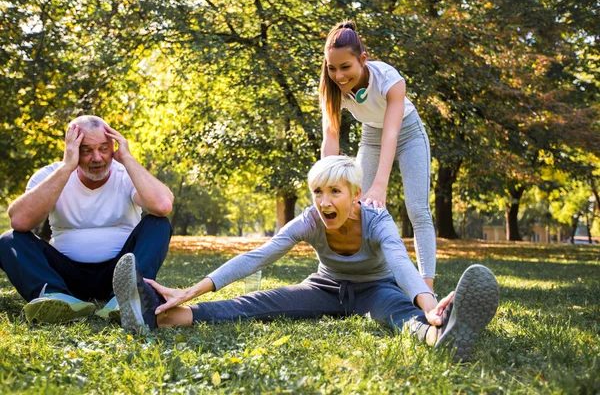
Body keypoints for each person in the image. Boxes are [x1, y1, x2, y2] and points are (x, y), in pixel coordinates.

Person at [113, 156, 499, 361]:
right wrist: (190, 290)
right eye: (318, 191)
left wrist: (429, 306)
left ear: (355, 195)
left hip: (375, 290)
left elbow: (401, 266)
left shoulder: (377, 221)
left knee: (401, 315)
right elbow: (258, 256)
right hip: (324, 288)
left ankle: (440, 334)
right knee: (250, 305)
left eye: (335, 191)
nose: (325, 201)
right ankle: (155, 316)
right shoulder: (311, 219)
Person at [0, 115, 174, 324]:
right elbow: (20, 221)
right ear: (71, 149)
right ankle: (55, 297)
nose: (97, 158)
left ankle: (129, 298)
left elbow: (162, 206)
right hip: (65, 275)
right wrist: (67, 167)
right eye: (86, 150)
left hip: (120, 275)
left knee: (159, 223)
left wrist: (127, 159)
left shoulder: (127, 174)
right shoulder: (50, 175)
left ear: (113, 146)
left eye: (103, 148)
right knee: (10, 240)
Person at [319, 21, 437, 292]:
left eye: (345, 67)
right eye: (332, 68)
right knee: (355, 205)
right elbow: (331, 138)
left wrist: (380, 185)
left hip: (408, 133)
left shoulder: (389, 79)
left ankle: (426, 286)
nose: (338, 75)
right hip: (371, 135)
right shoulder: (332, 88)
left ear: (363, 59)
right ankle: (368, 276)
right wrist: (325, 187)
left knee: (417, 209)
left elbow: (392, 135)